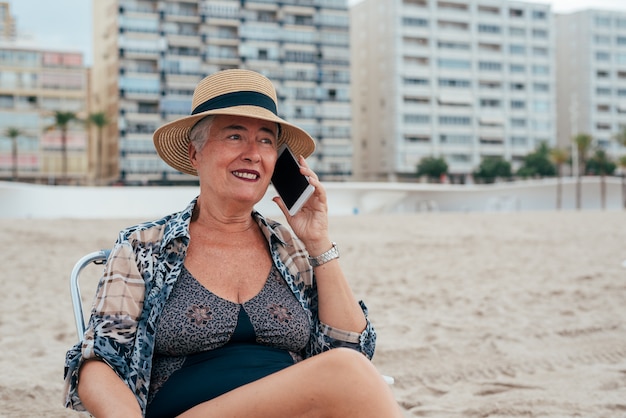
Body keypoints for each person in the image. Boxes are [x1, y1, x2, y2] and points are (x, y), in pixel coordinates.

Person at [63, 69, 403, 418]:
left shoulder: (290, 249)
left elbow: (349, 349)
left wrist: (318, 243)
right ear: (195, 154)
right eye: (235, 136)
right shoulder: (144, 247)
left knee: (348, 370)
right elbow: (98, 361)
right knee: (346, 373)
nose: (254, 153)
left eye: (267, 140)